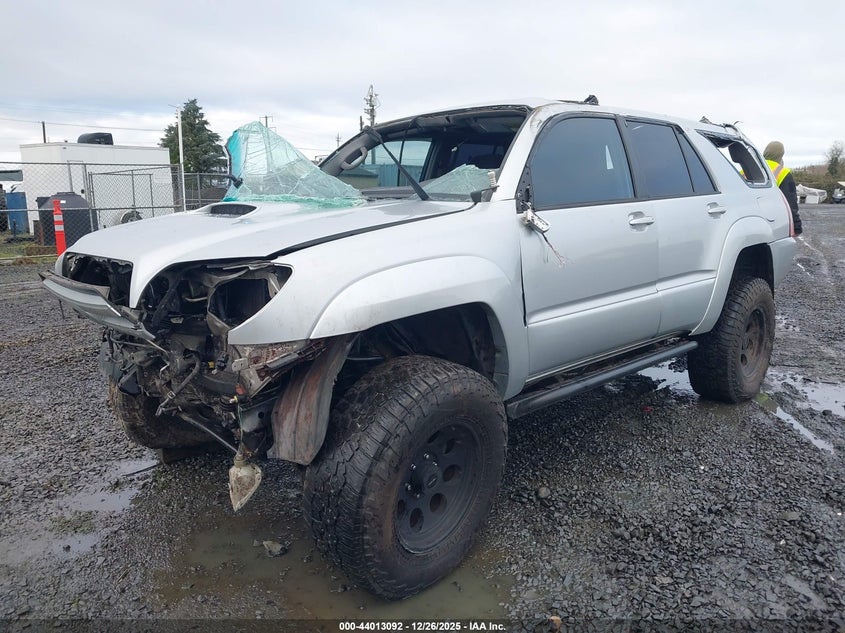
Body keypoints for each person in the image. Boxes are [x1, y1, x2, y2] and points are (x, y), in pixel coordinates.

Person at [763, 141, 802, 235]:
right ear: (781, 155)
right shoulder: (783, 172)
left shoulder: (744, 170)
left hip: (750, 221)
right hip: (774, 221)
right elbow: (790, 202)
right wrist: (797, 227)